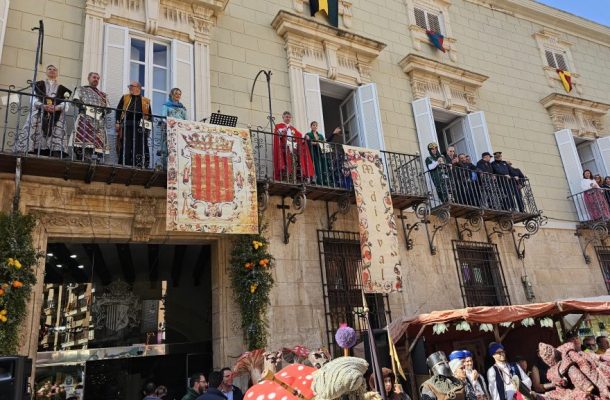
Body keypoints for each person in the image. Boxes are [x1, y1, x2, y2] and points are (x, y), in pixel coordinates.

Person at [14, 65, 72, 157]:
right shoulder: (38, 85)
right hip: (39, 113)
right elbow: (33, 99)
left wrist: (56, 108)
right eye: (50, 69)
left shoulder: (63, 89)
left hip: (56, 114)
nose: (52, 71)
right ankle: (34, 149)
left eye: (54, 69)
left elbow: (66, 104)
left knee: (57, 130)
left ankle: (54, 151)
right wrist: (43, 106)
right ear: (46, 71)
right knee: (36, 127)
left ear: (57, 73)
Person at [71, 71, 110, 161]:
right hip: (85, 117)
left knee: (97, 140)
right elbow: (76, 100)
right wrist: (85, 109)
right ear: (89, 78)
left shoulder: (103, 95)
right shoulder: (81, 89)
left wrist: (101, 113)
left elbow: (108, 108)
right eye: (94, 77)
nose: (96, 79)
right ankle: (83, 156)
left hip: (98, 120)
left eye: (97, 78)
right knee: (84, 137)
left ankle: (95, 158)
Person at [115, 81, 151, 168]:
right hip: (127, 124)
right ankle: (125, 163)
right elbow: (118, 111)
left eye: (131, 86)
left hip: (140, 126)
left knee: (139, 145)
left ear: (138, 88)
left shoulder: (146, 101)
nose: (129, 88)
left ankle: (138, 164)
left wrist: (147, 130)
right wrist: (117, 122)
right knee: (126, 145)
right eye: (129, 86)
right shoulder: (125, 97)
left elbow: (149, 116)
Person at [272, 111, 315, 182]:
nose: (288, 118)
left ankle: (294, 177)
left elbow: (299, 136)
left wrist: (304, 138)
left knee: (294, 163)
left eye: (289, 117)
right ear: (283, 117)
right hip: (283, 149)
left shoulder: (292, 128)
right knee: (286, 163)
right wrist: (283, 131)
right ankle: (285, 177)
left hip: (293, 149)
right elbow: (277, 136)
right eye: (286, 117)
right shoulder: (278, 126)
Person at [306, 121, 341, 186]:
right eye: (313, 125)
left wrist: (333, 134)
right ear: (311, 126)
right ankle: (316, 180)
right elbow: (307, 142)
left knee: (322, 165)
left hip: (320, 152)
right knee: (315, 165)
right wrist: (316, 143)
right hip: (313, 152)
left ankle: (324, 180)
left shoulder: (320, 135)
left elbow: (326, 141)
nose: (315, 126)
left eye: (316, 125)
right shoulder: (308, 134)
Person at [159, 88, 187, 167]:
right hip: (170, 129)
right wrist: (167, 124)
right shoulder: (166, 105)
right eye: (176, 94)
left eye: (179, 94)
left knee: (179, 149)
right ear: (171, 95)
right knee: (168, 149)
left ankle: (178, 166)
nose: (178, 95)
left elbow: (185, 119)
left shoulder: (182, 108)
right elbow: (163, 117)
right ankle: (166, 167)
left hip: (180, 131)